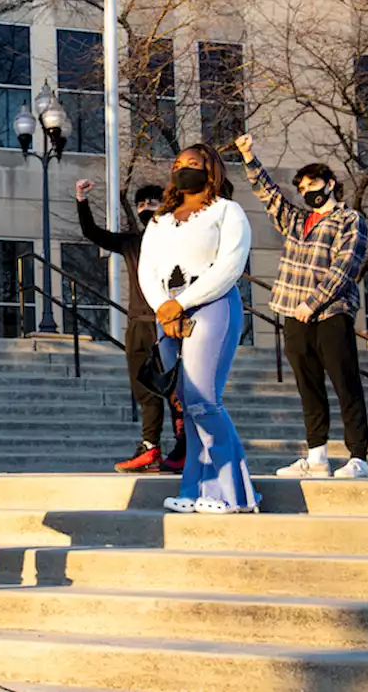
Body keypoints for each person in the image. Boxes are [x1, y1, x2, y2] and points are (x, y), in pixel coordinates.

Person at [236, 133, 368, 479]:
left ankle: (358, 456)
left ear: (330, 183)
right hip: (293, 312)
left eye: (313, 182)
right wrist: (249, 155)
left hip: (331, 312)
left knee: (345, 381)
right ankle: (317, 457)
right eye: (302, 186)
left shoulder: (350, 220)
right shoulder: (297, 220)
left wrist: (312, 303)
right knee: (307, 384)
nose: (307, 189)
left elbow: (346, 267)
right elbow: (269, 195)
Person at [138, 144, 260, 515]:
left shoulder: (228, 212)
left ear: (211, 171)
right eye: (177, 164)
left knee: (204, 400)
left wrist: (182, 303)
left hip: (212, 305)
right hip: (167, 314)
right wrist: (163, 307)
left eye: (193, 164)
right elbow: (147, 268)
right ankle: (194, 489)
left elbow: (230, 266)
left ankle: (234, 493)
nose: (183, 169)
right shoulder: (160, 219)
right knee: (187, 406)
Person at [76, 179, 186, 473]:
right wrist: (82, 200)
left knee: (176, 389)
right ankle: (150, 448)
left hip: (167, 323)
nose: (146, 208)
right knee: (144, 388)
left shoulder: (179, 241)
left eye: (152, 202)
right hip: (137, 323)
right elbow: (93, 233)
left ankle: (184, 446)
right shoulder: (131, 243)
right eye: (141, 203)